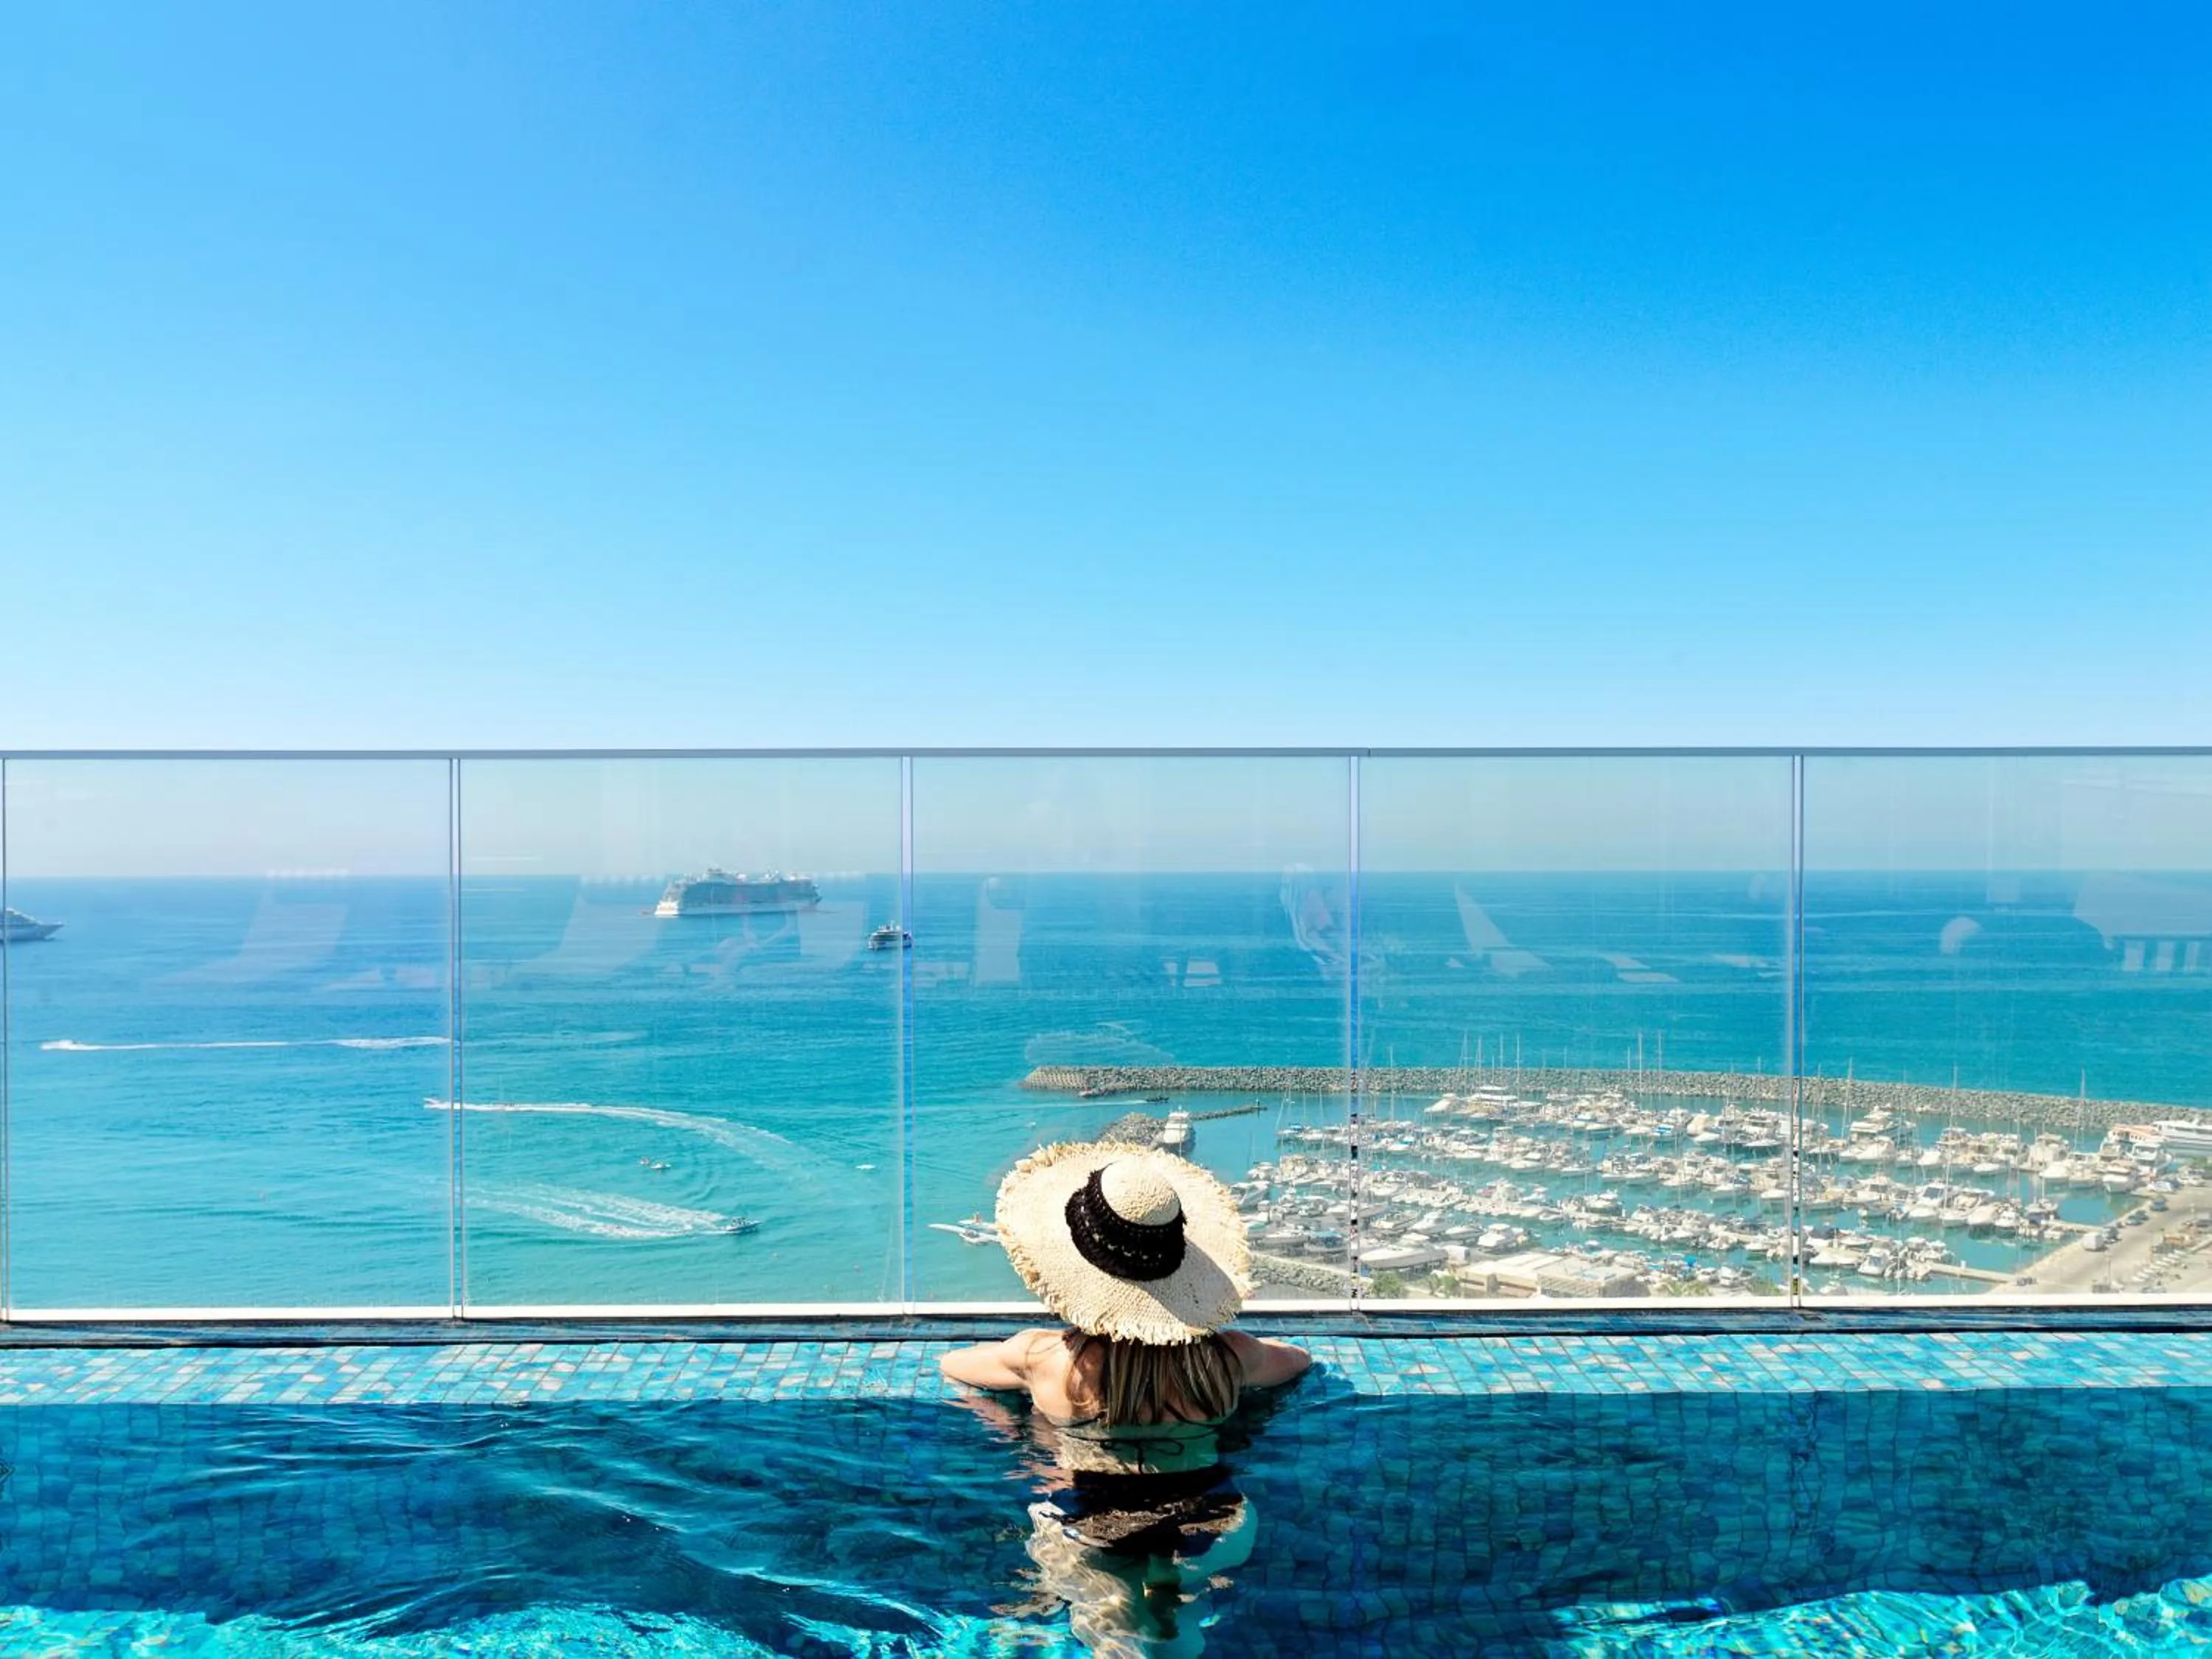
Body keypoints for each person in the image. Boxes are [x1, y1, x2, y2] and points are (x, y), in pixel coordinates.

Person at [941, 1141, 1310, 1655]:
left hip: (1085, 1521)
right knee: (1182, 1623)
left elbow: (954, 1366)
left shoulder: (1045, 1360)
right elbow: (1298, 1361)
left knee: (1105, 1625)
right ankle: (1167, 1587)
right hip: (1217, 1519)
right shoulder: (1231, 1359)